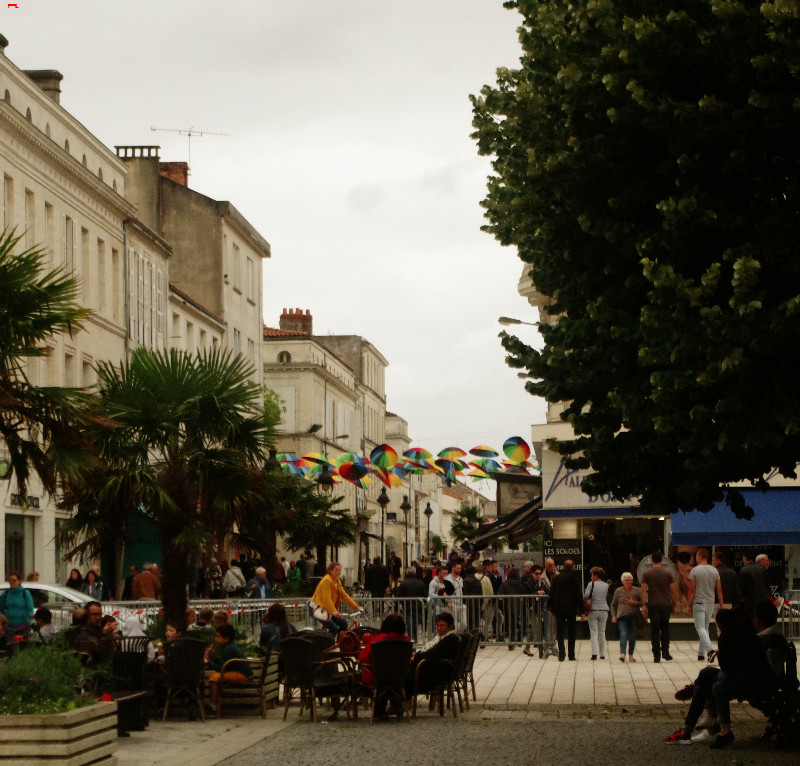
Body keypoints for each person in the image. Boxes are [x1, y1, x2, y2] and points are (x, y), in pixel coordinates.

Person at [662, 607, 777, 748]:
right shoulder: (744, 633)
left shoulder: (734, 636)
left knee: (714, 686)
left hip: (745, 679)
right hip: (741, 675)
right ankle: (694, 723)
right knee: (706, 674)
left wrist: (721, 653)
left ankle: (708, 727)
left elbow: (728, 668)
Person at [358, 612, 412, 718]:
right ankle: (396, 706)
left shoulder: (377, 639)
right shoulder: (406, 641)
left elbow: (362, 658)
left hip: (376, 677)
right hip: (399, 677)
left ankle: (379, 712)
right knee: (391, 680)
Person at [404, 611, 459, 698]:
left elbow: (434, 653)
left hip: (438, 673)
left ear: (450, 626)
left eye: (442, 625)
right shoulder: (441, 638)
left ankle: (400, 698)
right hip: (433, 667)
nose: (439, 628)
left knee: (407, 677)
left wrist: (417, 657)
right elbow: (429, 650)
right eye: (437, 626)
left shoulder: (450, 639)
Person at [687, 547, 724, 661]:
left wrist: (689, 604)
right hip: (710, 602)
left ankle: (710, 650)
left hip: (698, 602)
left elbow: (692, 589)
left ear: (699, 556)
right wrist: (721, 603)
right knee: (705, 627)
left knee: (700, 627)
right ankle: (701, 653)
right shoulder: (714, 571)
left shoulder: (694, 571)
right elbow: (719, 589)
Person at [641, 550, 678, 662]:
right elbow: (673, 591)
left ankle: (656, 655)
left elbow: (643, 591)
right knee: (665, 628)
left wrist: (644, 605)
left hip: (653, 604)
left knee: (655, 630)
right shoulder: (668, 574)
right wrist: (674, 604)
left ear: (651, 560)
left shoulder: (646, 574)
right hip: (666, 604)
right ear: (661, 561)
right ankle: (666, 652)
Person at [205, 623, 253, 708]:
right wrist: (213, 657)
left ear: (226, 638)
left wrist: (208, 661)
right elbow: (223, 663)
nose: (215, 639)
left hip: (243, 674)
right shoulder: (229, 647)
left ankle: (213, 706)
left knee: (214, 677)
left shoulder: (228, 649)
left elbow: (221, 669)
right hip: (242, 673)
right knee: (215, 676)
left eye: (218, 637)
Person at [310, 561, 360, 635]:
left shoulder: (337, 581)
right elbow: (326, 599)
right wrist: (334, 612)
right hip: (319, 608)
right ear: (330, 571)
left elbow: (344, 595)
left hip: (328, 609)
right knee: (334, 628)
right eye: (336, 570)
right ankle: (329, 644)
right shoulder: (327, 581)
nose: (338, 572)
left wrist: (355, 606)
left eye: (340, 570)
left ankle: (340, 642)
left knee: (344, 624)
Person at [548, 559, 583, 661]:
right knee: (572, 631)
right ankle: (571, 655)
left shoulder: (557, 578)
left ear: (563, 567)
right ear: (573, 567)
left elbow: (552, 593)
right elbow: (579, 595)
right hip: (571, 608)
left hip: (559, 609)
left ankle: (562, 654)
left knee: (560, 631)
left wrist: (550, 607)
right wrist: (582, 611)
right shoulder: (575, 579)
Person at [610, 572, 641, 662]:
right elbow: (613, 604)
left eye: (630, 580)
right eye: (627, 580)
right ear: (623, 581)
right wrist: (613, 615)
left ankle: (631, 654)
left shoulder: (637, 590)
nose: (629, 582)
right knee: (623, 633)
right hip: (622, 617)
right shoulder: (618, 591)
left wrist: (635, 603)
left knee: (632, 636)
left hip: (633, 616)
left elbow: (644, 602)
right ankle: (622, 654)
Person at [581, 566, 610, 660]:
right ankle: (602, 654)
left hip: (593, 609)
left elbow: (586, 596)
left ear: (596, 575)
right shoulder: (606, 585)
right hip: (604, 609)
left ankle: (594, 653)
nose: (591, 577)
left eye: (592, 575)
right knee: (602, 632)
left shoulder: (591, 584)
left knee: (594, 632)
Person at [499, 567, 529, 649]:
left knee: (510, 625)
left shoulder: (505, 584)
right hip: (519, 606)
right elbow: (525, 593)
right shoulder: (520, 584)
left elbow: (500, 594)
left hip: (508, 607)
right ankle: (519, 639)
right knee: (521, 623)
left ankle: (511, 642)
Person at [259, 602, 295, 669]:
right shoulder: (291, 627)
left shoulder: (267, 628)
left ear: (271, 614)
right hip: (290, 663)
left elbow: (262, 648)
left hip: (274, 664)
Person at [737, 549, 770, 623]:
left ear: (745, 558)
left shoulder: (743, 570)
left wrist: (741, 602)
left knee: (750, 622)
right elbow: (767, 586)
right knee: (762, 621)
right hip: (763, 601)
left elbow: (741, 589)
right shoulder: (762, 569)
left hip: (750, 603)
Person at [0, 571, 35, 640]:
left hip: (23, 627)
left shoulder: (25, 593)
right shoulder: (6, 593)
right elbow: (1, 609)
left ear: (20, 581)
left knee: (22, 647)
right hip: (9, 627)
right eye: (10, 580)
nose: (11, 582)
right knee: (10, 647)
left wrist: (31, 622)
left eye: (14, 580)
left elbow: (30, 609)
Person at [395, 567, 427, 640]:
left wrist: (396, 608)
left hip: (407, 607)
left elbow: (398, 597)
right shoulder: (421, 583)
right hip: (418, 608)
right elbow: (425, 596)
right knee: (416, 625)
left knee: (410, 625)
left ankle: (411, 641)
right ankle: (415, 640)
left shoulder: (403, 584)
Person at [524, 564, 549, 657]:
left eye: (540, 573)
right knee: (535, 628)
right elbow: (526, 593)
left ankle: (527, 648)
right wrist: (536, 593)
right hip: (531, 608)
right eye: (536, 573)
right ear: (532, 573)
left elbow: (546, 590)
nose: (538, 575)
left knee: (535, 628)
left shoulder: (540, 582)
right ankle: (540, 649)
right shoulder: (528, 582)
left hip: (539, 607)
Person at [443, 559, 466, 630]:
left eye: (460, 568)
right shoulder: (447, 579)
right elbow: (444, 592)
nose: (459, 570)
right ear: (453, 568)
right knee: (453, 624)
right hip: (452, 604)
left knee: (464, 624)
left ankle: (458, 635)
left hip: (461, 604)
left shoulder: (461, 579)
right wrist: (448, 602)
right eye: (458, 568)